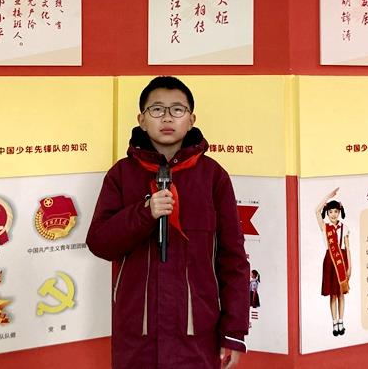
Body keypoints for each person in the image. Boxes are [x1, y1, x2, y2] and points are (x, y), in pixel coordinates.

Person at [87, 76, 249, 369]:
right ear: (141, 120)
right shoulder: (121, 175)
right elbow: (100, 243)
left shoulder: (213, 177)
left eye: (177, 110)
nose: (167, 118)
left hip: (196, 334)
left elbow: (233, 259)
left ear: (191, 119)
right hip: (137, 334)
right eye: (157, 109)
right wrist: (144, 213)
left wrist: (233, 333)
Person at [315, 188, 351, 337]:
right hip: (330, 261)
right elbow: (316, 211)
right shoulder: (325, 227)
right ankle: (334, 322)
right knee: (333, 295)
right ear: (327, 213)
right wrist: (328, 196)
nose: (333, 214)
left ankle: (341, 321)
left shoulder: (345, 228)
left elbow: (348, 248)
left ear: (339, 212)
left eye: (336, 211)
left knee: (341, 293)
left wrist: (350, 267)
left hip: (342, 260)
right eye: (330, 212)